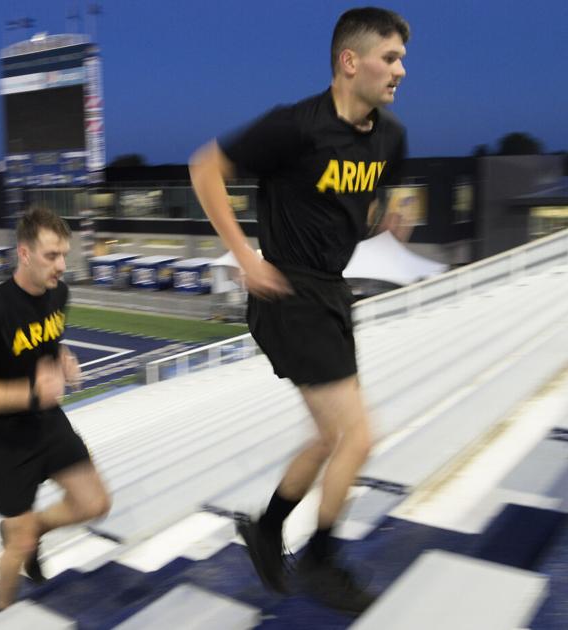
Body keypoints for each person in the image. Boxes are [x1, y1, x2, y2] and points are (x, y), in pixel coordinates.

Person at [189, 6, 410, 615]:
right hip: (286, 294)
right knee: (359, 437)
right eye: (389, 58)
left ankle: (266, 529)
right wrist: (244, 255)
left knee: (326, 438)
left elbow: (347, 211)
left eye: (401, 59)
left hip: (331, 294)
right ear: (349, 62)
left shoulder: (391, 139)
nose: (401, 70)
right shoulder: (294, 126)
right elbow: (203, 168)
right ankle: (321, 558)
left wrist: (384, 226)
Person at [0, 206, 111, 613]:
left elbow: (46, 339)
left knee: (95, 504)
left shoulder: (60, 293)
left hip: (44, 418)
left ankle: (34, 529)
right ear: (24, 254)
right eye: (51, 256)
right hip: (1, 437)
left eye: (64, 254)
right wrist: (33, 393)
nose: (62, 265)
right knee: (17, 544)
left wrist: (63, 357)